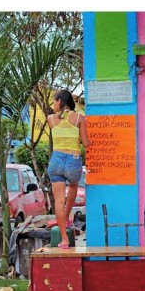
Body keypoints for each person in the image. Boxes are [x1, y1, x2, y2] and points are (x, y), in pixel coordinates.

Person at [47, 89, 91, 249]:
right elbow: (86, 144)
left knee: (59, 201)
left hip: (56, 160)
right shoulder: (79, 117)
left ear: (60, 101)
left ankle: (64, 239)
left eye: (54, 102)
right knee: (73, 185)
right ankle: (66, 217)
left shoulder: (50, 119)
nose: (53, 105)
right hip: (73, 161)